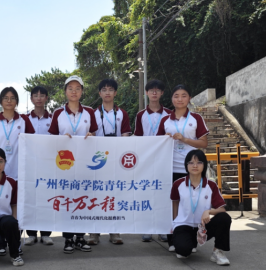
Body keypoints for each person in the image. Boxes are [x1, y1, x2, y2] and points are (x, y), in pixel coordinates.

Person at [48, 75, 98, 254]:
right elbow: (52, 138)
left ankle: (80, 237)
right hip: (65, 165)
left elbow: (95, 134)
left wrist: (92, 135)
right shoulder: (58, 113)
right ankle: (68, 238)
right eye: (70, 88)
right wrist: (61, 139)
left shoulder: (89, 112)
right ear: (65, 91)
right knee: (67, 201)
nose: (74, 91)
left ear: (82, 91)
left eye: (77, 88)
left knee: (83, 200)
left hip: (85, 164)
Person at [0, 87, 35, 255]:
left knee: (17, 210)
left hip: (19, 173)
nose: (9, 101)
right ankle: (1, 242)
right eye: (5, 98)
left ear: (16, 101)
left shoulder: (24, 121)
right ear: (1, 101)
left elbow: (32, 143)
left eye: (12, 98)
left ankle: (15, 243)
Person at [157, 84, 209, 248]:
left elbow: (204, 143)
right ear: (171, 99)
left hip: (192, 169)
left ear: (189, 98)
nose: (180, 99)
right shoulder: (165, 120)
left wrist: (185, 139)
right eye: (176, 96)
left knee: (192, 204)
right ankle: (173, 240)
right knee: (173, 203)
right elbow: (157, 144)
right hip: (170, 167)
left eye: (184, 95)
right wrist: (165, 138)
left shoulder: (196, 118)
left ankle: (191, 240)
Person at [86, 79, 132, 246]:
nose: (107, 92)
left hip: (115, 160)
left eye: (110, 89)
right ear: (99, 93)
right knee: (96, 195)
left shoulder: (122, 114)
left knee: (114, 195)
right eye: (104, 90)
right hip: (98, 160)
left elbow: (125, 136)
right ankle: (94, 232)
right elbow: (90, 134)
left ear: (115, 93)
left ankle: (114, 231)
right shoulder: (92, 114)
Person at [169, 150, 231, 265]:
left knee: (224, 218)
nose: (195, 166)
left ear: (204, 165)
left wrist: (208, 211)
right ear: (186, 165)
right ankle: (189, 244)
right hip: (184, 225)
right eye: (191, 162)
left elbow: (222, 209)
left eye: (199, 162)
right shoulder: (178, 184)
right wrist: (175, 223)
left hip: (203, 226)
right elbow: (175, 203)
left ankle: (218, 251)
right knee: (183, 252)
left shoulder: (211, 185)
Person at [134, 79, 172, 243]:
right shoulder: (140, 115)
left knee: (163, 194)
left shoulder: (170, 114)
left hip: (165, 160)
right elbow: (137, 137)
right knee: (147, 193)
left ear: (162, 93)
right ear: (146, 93)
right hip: (147, 160)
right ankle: (147, 228)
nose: (154, 93)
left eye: (157, 90)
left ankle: (162, 229)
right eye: (151, 90)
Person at [25, 85, 54, 246]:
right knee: (31, 198)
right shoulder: (24, 119)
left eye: (42, 95)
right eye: (35, 95)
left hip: (48, 165)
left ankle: (46, 233)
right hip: (30, 165)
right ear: (31, 99)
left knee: (46, 198)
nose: (39, 98)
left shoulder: (53, 119)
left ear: (46, 98)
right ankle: (31, 233)